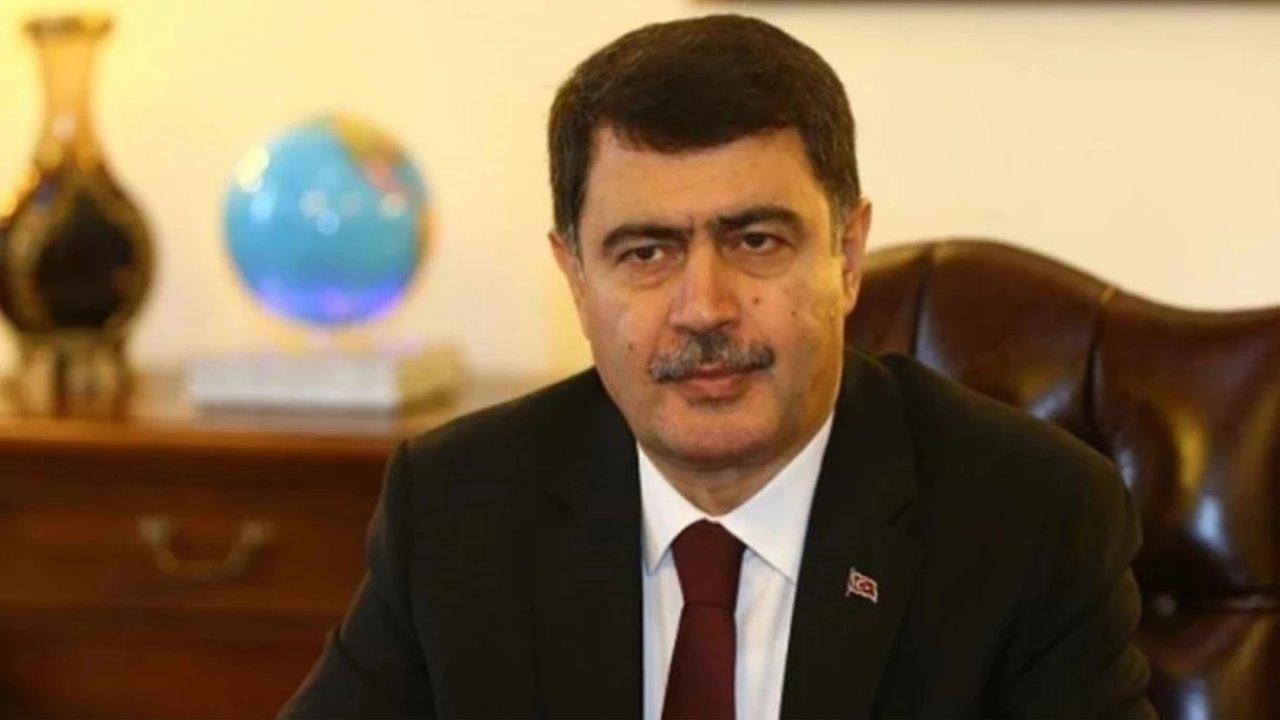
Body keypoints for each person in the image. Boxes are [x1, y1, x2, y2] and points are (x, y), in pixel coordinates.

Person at [281, 14, 1152, 719]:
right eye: (646, 252)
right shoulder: (460, 510)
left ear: (847, 256)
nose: (704, 306)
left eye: (756, 241)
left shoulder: (1030, 520)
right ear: (575, 276)